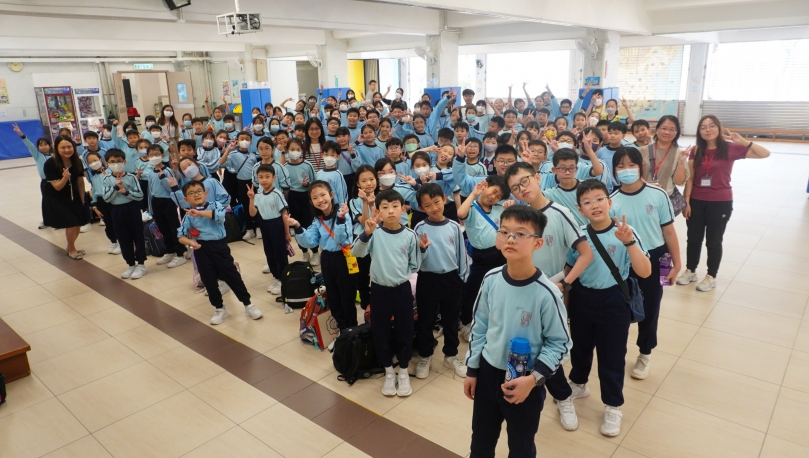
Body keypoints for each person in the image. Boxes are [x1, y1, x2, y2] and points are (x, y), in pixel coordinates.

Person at [463, 205, 571, 457]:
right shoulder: (490, 279)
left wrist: (533, 380)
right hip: (488, 373)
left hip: (525, 379)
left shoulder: (546, 293)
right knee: (480, 443)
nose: (510, 239)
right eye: (504, 232)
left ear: (538, 243)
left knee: (521, 448)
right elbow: (480, 327)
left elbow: (560, 343)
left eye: (521, 234)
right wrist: (473, 369)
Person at [564, 179, 651, 437]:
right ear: (580, 209)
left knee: (612, 355)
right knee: (580, 346)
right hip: (582, 297)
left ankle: (613, 405)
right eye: (587, 202)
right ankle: (579, 383)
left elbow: (645, 271)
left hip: (614, 300)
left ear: (609, 202)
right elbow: (569, 268)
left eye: (599, 199)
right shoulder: (579, 234)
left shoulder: (625, 231)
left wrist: (629, 243)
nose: (594, 205)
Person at [610, 146, 681, 380]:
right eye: (620, 166)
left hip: (657, 255)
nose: (626, 169)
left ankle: (645, 352)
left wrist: (676, 264)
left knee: (652, 306)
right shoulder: (610, 201)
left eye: (631, 164)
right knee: (621, 308)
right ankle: (617, 352)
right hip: (624, 259)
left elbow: (668, 232)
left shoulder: (658, 194)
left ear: (641, 166)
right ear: (614, 170)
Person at [678, 115, 770, 292]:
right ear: (699, 131)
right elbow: (690, 178)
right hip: (696, 200)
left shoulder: (730, 148)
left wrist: (744, 142)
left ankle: (711, 276)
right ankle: (690, 271)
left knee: (713, 241)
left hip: (720, 201)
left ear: (719, 128)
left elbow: (765, 154)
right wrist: (687, 201)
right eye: (703, 127)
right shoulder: (696, 150)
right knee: (694, 238)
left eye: (712, 126)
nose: (708, 130)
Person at [352, 189, 424, 397]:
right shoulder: (374, 232)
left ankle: (403, 370)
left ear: (403, 209)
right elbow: (356, 252)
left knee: (405, 330)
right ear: (378, 211)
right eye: (385, 207)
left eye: (395, 206)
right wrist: (366, 233)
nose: (390, 211)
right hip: (379, 290)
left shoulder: (410, 235)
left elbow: (415, 264)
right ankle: (389, 371)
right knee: (380, 330)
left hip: (402, 289)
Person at [177, 181, 263, 325]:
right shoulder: (188, 216)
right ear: (186, 199)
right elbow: (181, 236)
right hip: (201, 249)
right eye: (191, 193)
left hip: (219, 246)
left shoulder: (215, 205)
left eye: (199, 191)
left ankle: (248, 304)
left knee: (232, 276)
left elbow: (219, 216)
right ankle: (219, 308)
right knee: (209, 280)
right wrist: (191, 243)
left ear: (205, 193)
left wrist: (199, 213)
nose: (196, 195)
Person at [413, 184, 469, 379]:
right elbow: (416, 260)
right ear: (421, 208)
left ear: (444, 199)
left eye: (436, 202)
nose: (434, 208)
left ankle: (451, 355)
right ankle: (425, 355)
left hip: (451, 278)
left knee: (451, 319)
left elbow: (461, 253)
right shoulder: (419, 228)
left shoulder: (454, 226)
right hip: (427, 279)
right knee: (426, 319)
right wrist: (422, 249)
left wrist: (462, 277)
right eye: (428, 205)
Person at [287, 181, 357, 330]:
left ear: (331, 195)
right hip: (326, 258)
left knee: (347, 296)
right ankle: (341, 327)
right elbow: (310, 241)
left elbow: (341, 239)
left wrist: (341, 218)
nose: (320, 200)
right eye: (315, 198)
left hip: (343, 258)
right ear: (311, 202)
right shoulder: (317, 220)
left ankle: (351, 329)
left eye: (323, 195)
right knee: (333, 295)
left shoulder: (343, 214)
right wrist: (297, 226)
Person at [456, 176, 510, 341]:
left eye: (499, 196)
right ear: (485, 186)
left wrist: (510, 207)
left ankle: (492, 321)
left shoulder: (499, 209)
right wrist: (473, 194)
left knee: (497, 289)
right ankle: (466, 322)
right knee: (475, 290)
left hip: (501, 255)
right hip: (481, 257)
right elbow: (460, 213)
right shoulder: (472, 207)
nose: (494, 197)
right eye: (493, 191)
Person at [42, 136, 89, 258]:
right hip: (56, 197)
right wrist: (65, 178)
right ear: (56, 148)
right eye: (63, 147)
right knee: (71, 223)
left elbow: (80, 182)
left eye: (69, 146)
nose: (67, 150)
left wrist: (82, 199)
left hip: (73, 194)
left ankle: (70, 246)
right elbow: (57, 187)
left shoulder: (77, 161)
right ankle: (72, 250)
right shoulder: (50, 164)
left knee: (78, 222)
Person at [102, 149, 147, 278]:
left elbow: (140, 195)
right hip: (117, 210)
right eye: (112, 162)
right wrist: (116, 187)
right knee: (123, 238)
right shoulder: (107, 179)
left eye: (119, 161)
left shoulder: (132, 177)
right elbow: (106, 198)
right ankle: (130, 264)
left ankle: (141, 264)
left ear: (124, 162)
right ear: (107, 163)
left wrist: (126, 193)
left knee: (137, 235)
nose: (116, 164)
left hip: (132, 209)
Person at [248, 165, 290, 295]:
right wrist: (251, 199)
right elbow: (252, 213)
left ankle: (283, 280)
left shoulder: (277, 194)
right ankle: (276, 277)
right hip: (264, 225)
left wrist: (287, 232)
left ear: (274, 177)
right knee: (269, 253)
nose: (264, 180)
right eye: (261, 177)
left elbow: (284, 214)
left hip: (276, 224)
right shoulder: (258, 195)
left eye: (267, 177)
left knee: (279, 253)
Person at [636, 115, 690, 214]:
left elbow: (678, 182)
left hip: (665, 200)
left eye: (672, 129)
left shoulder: (679, 153)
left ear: (676, 133)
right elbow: (635, 175)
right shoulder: (642, 151)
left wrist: (681, 162)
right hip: (643, 196)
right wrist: (647, 185)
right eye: (664, 128)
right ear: (657, 130)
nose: (667, 132)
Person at [146, 145, 186, 268]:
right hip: (156, 202)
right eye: (151, 155)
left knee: (174, 228)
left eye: (157, 154)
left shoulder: (167, 170)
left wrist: (163, 178)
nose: (154, 157)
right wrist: (150, 207)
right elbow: (150, 191)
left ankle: (180, 254)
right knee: (163, 228)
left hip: (168, 201)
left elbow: (172, 188)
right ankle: (170, 251)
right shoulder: (150, 173)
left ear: (162, 155)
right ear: (148, 157)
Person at [283, 139, 319, 265]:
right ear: (287, 151)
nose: (295, 152)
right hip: (292, 197)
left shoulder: (307, 165)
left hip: (306, 196)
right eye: (292, 149)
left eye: (298, 149)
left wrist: (307, 184)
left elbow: (315, 183)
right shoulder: (285, 167)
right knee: (296, 225)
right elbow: (284, 186)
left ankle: (315, 252)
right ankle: (304, 252)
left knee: (309, 224)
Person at [12, 124, 52, 229]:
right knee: (46, 202)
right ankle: (47, 221)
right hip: (45, 182)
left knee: (58, 201)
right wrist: (21, 134)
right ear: (38, 147)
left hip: (56, 181)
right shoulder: (37, 155)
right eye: (41, 145)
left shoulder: (54, 156)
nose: (43, 147)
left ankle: (58, 220)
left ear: (50, 145)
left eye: (45, 144)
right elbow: (30, 145)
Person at [220, 132, 258, 240]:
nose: (244, 141)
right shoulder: (233, 154)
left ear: (250, 141)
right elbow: (221, 163)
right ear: (237, 140)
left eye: (247, 139)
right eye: (242, 138)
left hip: (254, 183)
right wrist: (228, 150)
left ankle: (258, 227)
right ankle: (249, 229)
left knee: (256, 205)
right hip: (241, 183)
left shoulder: (252, 155)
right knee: (245, 205)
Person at [85, 150, 120, 254]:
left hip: (113, 199)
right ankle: (113, 241)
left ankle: (121, 242)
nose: (93, 163)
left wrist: (107, 176)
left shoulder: (110, 172)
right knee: (108, 223)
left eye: (95, 160)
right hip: (101, 201)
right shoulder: (94, 177)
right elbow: (95, 192)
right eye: (90, 162)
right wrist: (95, 206)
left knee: (117, 222)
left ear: (101, 160)